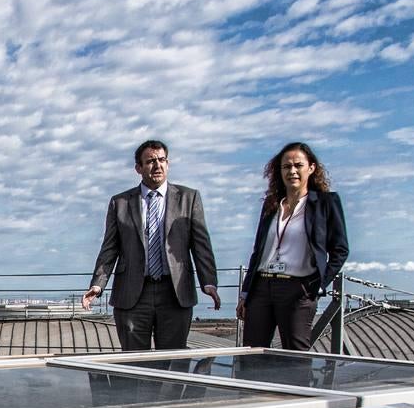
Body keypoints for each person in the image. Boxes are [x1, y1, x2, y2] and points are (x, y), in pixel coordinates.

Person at [81, 140, 221, 350]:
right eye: (150, 161)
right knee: (134, 363)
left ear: (168, 163)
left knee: (173, 361)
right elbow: (110, 248)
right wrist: (98, 284)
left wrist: (209, 282)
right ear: (139, 168)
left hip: (175, 292)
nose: (157, 165)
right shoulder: (120, 202)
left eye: (162, 160)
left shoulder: (189, 198)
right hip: (132, 295)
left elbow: (201, 244)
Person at [237, 141, 350, 350]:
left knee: (296, 355)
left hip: (297, 288)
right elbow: (258, 251)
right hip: (261, 287)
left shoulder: (325, 203)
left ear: (311, 168)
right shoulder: (271, 204)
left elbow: (340, 250)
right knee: (251, 354)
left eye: (298, 165)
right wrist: (245, 293)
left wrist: (318, 285)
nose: (292, 171)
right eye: (286, 166)